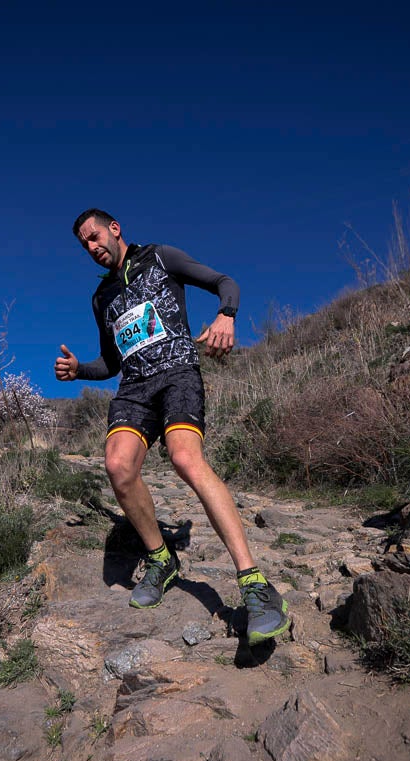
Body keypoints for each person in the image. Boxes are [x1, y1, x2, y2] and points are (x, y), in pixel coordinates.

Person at [54, 208, 290, 645]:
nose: (91, 247)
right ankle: (162, 559)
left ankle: (255, 583)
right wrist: (78, 370)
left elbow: (225, 282)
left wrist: (226, 315)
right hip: (134, 389)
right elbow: (111, 361)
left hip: (178, 374)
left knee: (185, 459)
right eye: (84, 244)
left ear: (114, 228)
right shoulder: (101, 297)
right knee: (119, 468)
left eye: (94, 236)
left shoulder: (160, 257)